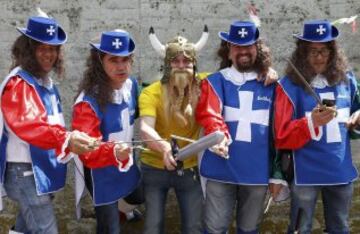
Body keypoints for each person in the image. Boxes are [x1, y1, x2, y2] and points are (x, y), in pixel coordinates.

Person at [0, 13, 98, 234]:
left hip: (39, 170)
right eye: (42, 48)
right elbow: (28, 125)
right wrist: (67, 138)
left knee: (25, 228)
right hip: (26, 172)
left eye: (53, 49)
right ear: (28, 49)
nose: (49, 54)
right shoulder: (19, 83)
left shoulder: (45, 83)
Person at [274, 20, 360, 234]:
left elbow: (357, 111)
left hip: (340, 172)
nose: (319, 57)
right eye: (312, 51)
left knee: (340, 227)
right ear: (302, 54)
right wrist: (311, 122)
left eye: (324, 51)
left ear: (333, 53)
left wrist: (358, 117)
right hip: (305, 174)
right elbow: (281, 135)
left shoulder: (348, 81)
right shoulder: (288, 86)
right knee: (300, 229)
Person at [195, 20, 281, 234]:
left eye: (248, 46)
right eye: (237, 46)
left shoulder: (273, 85)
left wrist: (277, 174)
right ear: (229, 50)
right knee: (215, 229)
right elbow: (210, 113)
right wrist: (220, 138)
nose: (243, 51)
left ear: (256, 49)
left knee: (250, 229)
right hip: (220, 170)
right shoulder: (215, 82)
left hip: (258, 171)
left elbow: (280, 132)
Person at [138, 27, 209, 234]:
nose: (181, 66)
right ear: (167, 64)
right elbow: (145, 128)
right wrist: (163, 147)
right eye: (175, 61)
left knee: (194, 226)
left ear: (194, 64)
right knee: (153, 225)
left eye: (186, 61)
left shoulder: (205, 84)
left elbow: (237, 74)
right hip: (153, 166)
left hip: (189, 167)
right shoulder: (150, 92)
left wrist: (266, 71)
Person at [72, 29, 141, 234]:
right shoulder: (87, 102)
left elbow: (137, 114)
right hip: (101, 173)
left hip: (126, 163)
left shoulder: (131, 85)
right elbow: (86, 151)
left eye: (125, 59)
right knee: (109, 228)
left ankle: (124, 209)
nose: (121, 67)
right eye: (113, 60)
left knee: (139, 196)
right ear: (99, 62)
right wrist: (112, 152)